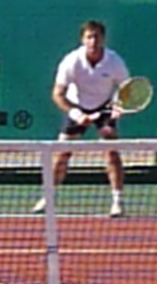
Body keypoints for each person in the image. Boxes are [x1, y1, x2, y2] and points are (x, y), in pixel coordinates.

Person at [33, 18, 132, 217]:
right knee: (62, 154)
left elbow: (127, 89)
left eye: (97, 37)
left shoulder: (114, 61)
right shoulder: (71, 61)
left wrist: (117, 107)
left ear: (103, 39)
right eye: (89, 37)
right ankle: (48, 198)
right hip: (76, 105)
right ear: (82, 39)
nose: (93, 41)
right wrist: (76, 114)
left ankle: (117, 202)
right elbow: (57, 94)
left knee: (111, 149)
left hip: (105, 106)